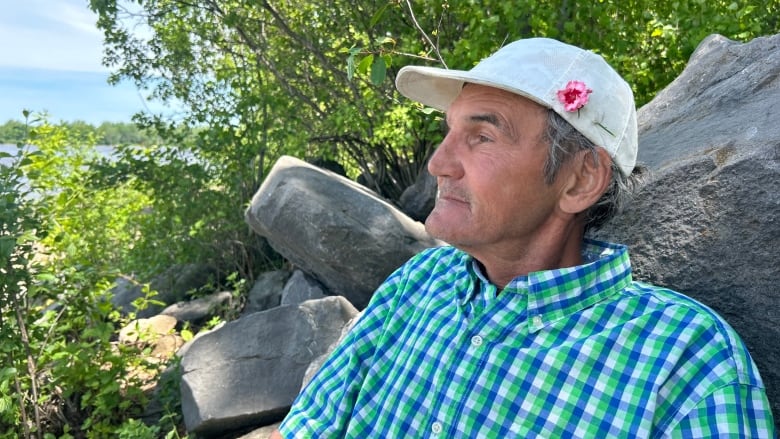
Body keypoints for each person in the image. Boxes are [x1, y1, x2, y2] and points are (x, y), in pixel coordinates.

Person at [270, 38, 775, 437]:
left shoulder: (688, 362)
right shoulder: (419, 282)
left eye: (482, 137)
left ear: (580, 180)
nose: (439, 164)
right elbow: (311, 424)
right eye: (448, 133)